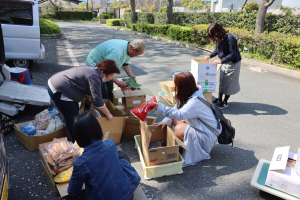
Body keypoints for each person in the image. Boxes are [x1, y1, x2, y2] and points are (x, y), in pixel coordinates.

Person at [151, 72, 222, 167]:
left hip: (208, 134)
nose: (175, 86)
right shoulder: (191, 93)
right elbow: (176, 109)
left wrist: (159, 107)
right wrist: (165, 121)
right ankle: (186, 142)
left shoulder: (195, 101)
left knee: (178, 129)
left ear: (182, 87)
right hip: (203, 127)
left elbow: (180, 114)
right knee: (173, 120)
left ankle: (199, 150)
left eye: (176, 84)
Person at [68, 113, 141, 200]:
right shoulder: (110, 144)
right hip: (128, 196)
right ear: (98, 129)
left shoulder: (79, 163)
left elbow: (73, 192)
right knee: (121, 155)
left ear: (78, 137)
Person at [47, 59, 120, 142]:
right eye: (111, 75)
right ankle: (78, 143)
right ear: (104, 72)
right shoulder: (94, 76)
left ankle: (78, 137)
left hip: (60, 84)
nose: (111, 78)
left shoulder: (95, 71)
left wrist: (89, 95)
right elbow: (98, 101)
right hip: (59, 90)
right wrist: (108, 114)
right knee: (73, 119)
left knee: (75, 114)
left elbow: (87, 84)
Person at [204, 22, 242, 109]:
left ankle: (225, 102)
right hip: (224, 62)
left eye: (213, 35)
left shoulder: (230, 38)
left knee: (229, 83)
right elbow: (217, 50)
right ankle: (219, 99)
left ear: (217, 32)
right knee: (222, 81)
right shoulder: (219, 38)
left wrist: (221, 61)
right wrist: (209, 56)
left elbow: (233, 54)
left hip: (232, 62)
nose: (213, 38)